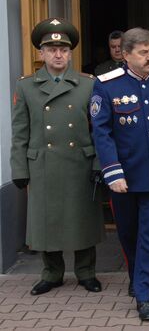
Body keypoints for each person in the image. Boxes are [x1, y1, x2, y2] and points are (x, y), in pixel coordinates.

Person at [10, 17, 104, 296]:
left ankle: (86, 273)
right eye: (51, 49)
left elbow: (100, 128)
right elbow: (19, 131)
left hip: (80, 163)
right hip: (43, 165)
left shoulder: (89, 84)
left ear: (70, 52)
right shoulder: (26, 86)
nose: (58, 54)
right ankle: (51, 273)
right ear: (41, 53)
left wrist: (100, 162)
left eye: (63, 49)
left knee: (82, 219)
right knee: (46, 221)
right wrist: (19, 168)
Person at [91, 27, 149, 321]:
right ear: (126, 55)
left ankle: (144, 295)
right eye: (144, 52)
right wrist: (113, 173)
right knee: (129, 234)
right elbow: (101, 133)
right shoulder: (106, 85)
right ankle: (136, 276)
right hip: (123, 177)